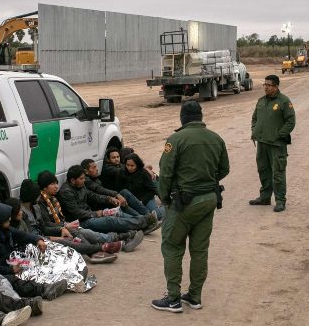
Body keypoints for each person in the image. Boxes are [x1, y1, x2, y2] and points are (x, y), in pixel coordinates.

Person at [151, 100, 229, 312]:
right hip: (208, 199)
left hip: (183, 203)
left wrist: (165, 198)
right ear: (200, 117)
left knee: (172, 246)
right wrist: (206, 180)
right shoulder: (216, 138)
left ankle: (173, 299)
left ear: (182, 118)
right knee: (200, 250)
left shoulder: (176, 139)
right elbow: (224, 169)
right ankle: (195, 296)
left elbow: (166, 173)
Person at [7, 180, 120, 264]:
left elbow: (44, 226)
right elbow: (30, 235)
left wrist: (61, 228)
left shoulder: (35, 206)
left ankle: (92, 253)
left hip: (44, 233)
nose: (39, 197)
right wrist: (52, 237)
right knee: (67, 241)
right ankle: (100, 248)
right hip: (38, 240)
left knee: (73, 231)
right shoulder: (21, 212)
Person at [35, 170, 145, 252]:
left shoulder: (53, 199)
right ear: (44, 187)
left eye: (56, 183)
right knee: (100, 230)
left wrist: (108, 200)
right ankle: (129, 234)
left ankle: (130, 233)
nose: (56, 187)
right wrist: (96, 214)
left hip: (73, 224)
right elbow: (49, 224)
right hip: (76, 222)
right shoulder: (48, 199)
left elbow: (94, 195)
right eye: (52, 184)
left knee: (97, 231)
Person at [0, 202, 68, 301]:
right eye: (6, 218)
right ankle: (45, 290)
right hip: (2, 271)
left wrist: (38, 240)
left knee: (41, 262)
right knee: (16, 282)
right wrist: (10, 270)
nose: (10, 219)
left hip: (11, 263)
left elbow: (23, 235)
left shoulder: (7, 230)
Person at [57, 165, 159, 235]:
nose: (84, 181)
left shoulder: (80, 186)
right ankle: (145, 221)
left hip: (89, 215)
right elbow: (76, 213)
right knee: (110, 220)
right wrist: (97, 213)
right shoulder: (66, 192)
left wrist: (109, 199)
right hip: (81, 221)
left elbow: (92, 196)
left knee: (117, 213)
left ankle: (143, 222)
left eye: (84, 178)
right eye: (81, 179)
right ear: (72, 180)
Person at [248, 74, 296, 212]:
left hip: (277, 145)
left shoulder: (284, 101)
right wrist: (255, 130)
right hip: (262, 143)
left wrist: (279, 135)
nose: (266, 87)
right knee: (263, 170)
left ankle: (280, 201)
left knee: (278, 172)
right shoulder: (261, 101)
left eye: (269, 85)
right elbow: (254, 118)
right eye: (265, 85)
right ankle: (265, 197)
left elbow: (291, 121)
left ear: (276, 86)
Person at [81, 158, 151, 218]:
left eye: (96, 167)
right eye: (93, 168)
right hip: (99, 207)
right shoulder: (86, 181)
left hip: (105, 200)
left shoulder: (95, 178)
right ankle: (143, 219)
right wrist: (115, 195)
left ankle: (147, 215)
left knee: (124, 193)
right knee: (119, 201)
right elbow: (98, 190)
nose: (96, 169)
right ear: (86, 171)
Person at [123, 153, 165, 220]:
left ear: (137, 165)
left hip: (146, 199)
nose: (129, 168)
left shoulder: (143, 173)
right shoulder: (122, 173)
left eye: (132, 166)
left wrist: (143, 201)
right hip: (131, 202)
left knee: (158, 216)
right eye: (127, 165)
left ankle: (167, 208)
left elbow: (152, 190)